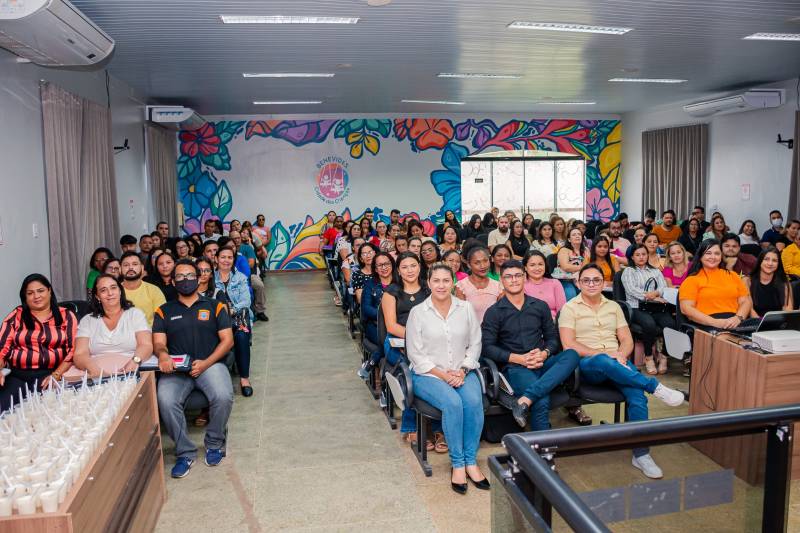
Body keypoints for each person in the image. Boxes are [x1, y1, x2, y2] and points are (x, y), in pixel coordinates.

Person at [559, 263, 685, 479]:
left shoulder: (614, 307)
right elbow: (569, 345)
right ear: (578, 283)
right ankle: (654, 386)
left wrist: (620, 354)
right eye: (586, 280)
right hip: (588, 365)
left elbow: (626, 339)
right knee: (604, 360)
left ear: (602, 282)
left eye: (596, 280)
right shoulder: (570, 308)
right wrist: (605, 355)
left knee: (637, 397)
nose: (591, 284)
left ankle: (641, 454)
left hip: (617, 364)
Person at [406, 263, 488, 494]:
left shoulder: (466, 308)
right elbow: (415, 354)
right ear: (428, 283)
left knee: (473, 402)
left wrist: (462, 370)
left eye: (446, 280)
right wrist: (444, 375)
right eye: (436, 281)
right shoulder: (418, 313)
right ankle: (458, 464)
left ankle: (471, 461)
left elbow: (475, 343)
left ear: (453, 282)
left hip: (461, 371)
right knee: (452, 403)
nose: (441, 285)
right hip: (429, 374)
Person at [154, 259, 234, 478]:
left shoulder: (214, 306)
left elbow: (227, 341)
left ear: (199, 278)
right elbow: (159, 343)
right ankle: (185, 452)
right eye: (180, 277)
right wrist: (162, 355)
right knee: (165, 399)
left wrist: (206, 363)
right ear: (172, 281)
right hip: (177, 370)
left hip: (210, 364)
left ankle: (214, 442)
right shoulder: (163, 311)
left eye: (190, 276)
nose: (186, 280)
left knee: (224, 395)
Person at [482, 260, 580, 430]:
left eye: (518, 275)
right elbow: (487, 348)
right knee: (541, 400)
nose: (513, 280)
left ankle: (524, 400)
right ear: (502, 280)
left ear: (524, 277)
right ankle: (540, 452)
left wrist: (545, 353)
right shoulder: (494, 312)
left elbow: (553, 339)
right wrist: (519, 359)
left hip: (542, 362)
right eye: (508, 277)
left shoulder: (540, 306)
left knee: (572, 355)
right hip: (515, 367)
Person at [382, 252, 437, 448]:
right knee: (410, 371)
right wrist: (415, 339)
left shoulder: (428, 289)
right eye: (404, 267)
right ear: (398, 270)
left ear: (420, 267)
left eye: (413, 266)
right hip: (397, 341)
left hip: (427, 340)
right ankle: (411, 426)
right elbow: (391, 326)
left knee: (438, 368)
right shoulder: (391, 292)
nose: (409, 270)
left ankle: (438, 428)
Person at [0, 275, 77, 411]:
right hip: (18, 376)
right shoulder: (16, 315)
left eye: (40, 291)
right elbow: (2, 348)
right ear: (25, 297)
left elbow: (72, 350)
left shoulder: (66, 316)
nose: (36, 296)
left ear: (49, 291)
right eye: (30, 293)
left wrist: (56, 375)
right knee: (4, 410)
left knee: (50, 413)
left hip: (50, 375)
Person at [73, 274, 152, 376]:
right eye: (103, 290)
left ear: (120, 291)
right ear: (97, 296)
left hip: (130, 371)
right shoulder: (87, 320)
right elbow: (80, 354)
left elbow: (146, 345)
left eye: (113, 288)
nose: (110, 293)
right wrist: (94, 369)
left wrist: (135, 361)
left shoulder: (135, 314)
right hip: (94, 374)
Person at [622, 245, 674, 375]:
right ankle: (649, 357)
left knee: (671, 324)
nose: (641, 257)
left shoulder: (655, 271)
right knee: (649, 324)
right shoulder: (628, 271)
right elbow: (632, 290)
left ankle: (663, 356)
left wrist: (656, 293)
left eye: (644, 254)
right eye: (637, 255)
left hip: (656, 307)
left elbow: (663, 287)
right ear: (632, 257)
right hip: (637, 307)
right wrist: (651, 297)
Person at [679, 239, 752, 329]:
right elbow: (686, 309)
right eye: (708, 253)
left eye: (717, 253)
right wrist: (716, 322)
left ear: (721, 256)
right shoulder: (691, 280)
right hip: (707, 324)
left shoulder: (733, 275)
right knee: (731, 342)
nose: (713, 257)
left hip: (735, 321)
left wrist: (738, 318)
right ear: (700, 256)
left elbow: (745, 301)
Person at [215, 247, 253, 397]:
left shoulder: (240, 277)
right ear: (216, 258)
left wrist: (231, 310)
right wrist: (221, 313)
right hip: (216, 319)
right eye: (223, 257)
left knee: (241, 335)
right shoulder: (210, 278)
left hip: (238, 316)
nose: (226, 260)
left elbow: (245, 301)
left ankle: (244, 379)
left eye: (229, 257)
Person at [357, 252, 396, 379]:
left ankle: (371, 363)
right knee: (388, 340)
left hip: (396, 324)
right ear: (375, 268)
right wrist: (386, 315)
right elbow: (366, 309)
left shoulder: (399, 284)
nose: (384, 267)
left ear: (392, 265)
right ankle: (386, 379)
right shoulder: (370, 285)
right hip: (375, 324)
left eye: (386, 264)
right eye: (380, 265)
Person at [455, 246, 502, 323]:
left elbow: (502, 315)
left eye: (485, 261)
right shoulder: (461, 286)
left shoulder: (498, 286)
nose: (483, 266)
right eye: (477, 263)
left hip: (494, 332)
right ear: (469, 265)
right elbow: (461, 317)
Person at [120, 251, 166, 327]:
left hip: (149, 336)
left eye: (135, 264)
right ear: (120, 269)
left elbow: (161, 321)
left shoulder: (154, 290)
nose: (130, 267)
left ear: (142, 267)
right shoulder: (114, 292)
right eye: (126, 265)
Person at [230, 230, 268, 322]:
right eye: (234, 239)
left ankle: (260, 311)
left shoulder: (247, 248)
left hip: (249, 275)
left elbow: (250, 264)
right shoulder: (227, 250)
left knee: (259, 285)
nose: (237, 240)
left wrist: (239, 265)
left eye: (238, 238)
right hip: (230, 275)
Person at [746, 247, 793, 317]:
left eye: (774, 260)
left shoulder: (784, 281)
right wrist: (761, 323)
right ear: (760, 261)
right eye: (766, 259)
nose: (770, 263)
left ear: (778, 264)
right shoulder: (747, 280)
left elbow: (788, 308)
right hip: (755, 322)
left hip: (779, 322)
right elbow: (750, 309)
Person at [522, 250, 566, 318]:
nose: (537, 268)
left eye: (540, 264)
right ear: (525, 267)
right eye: (532, 265)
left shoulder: (555, 283)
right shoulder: (521, 286)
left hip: (554, 324)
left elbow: (562, 311)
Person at [555, 228, 589, 299]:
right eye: (574, 235)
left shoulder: (586, 250)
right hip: (566, 280)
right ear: (569, 239)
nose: (577, 236)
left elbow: (590, 266)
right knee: (571, 294)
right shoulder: (564, 250)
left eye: (579, 234)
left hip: (582, 279)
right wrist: (583, 267)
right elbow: (566, 267)